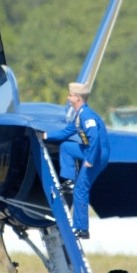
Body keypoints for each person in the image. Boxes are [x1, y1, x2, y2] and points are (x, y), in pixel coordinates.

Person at [42, 82, 109, 240]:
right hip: (89, 150)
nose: (68, 98)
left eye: (70, 95)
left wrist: (90, 160)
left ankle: (82, 229)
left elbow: (95, 137)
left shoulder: (86, 115)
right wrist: (45, 136)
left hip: (97, 155)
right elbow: (66, 132)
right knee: (66, 147)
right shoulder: (79, 115)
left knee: (81, 190)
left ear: (78, 98)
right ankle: (69, 181)